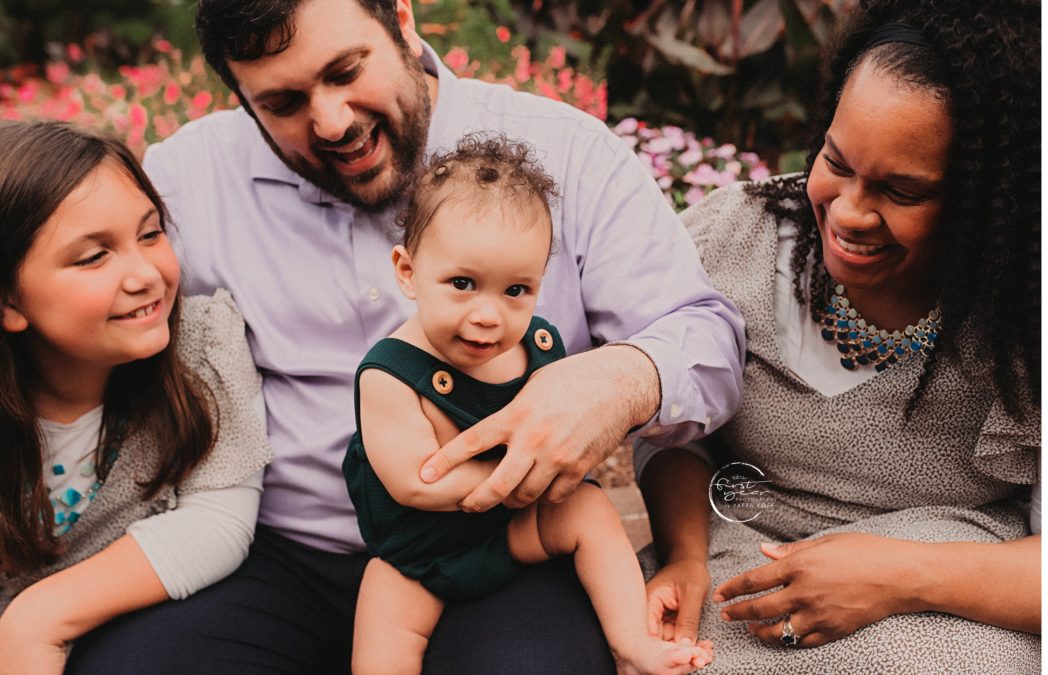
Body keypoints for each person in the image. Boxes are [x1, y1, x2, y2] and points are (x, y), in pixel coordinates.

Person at [63, 0, 746, 672]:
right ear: (241, 98)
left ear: (403, 21)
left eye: (344, 71)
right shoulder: (189, 180)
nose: (331, 122)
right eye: (282, 103)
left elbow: (706, 341)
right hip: (278, 557)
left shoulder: (566, 151)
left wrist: (624, 378)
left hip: (505, 545)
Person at [637, 1, 1040, 672]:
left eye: (900, 190)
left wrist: (902, 574)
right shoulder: (736, 241)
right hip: (732, 566)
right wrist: (683, 555)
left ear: (986, 196)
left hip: (952, 592)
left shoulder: (1022, 316)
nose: (850, 212)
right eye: (836, 160)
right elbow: (678, 432)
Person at [344, 134, 715, 674]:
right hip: (418, 555)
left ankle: (631, 640)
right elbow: (413, 482)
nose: (489, 314)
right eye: (463, 284)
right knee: (384, 635)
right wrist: (519, 479)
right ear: (408, 271)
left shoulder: (535, 346)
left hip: (514, 530)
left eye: (515, 290)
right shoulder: (389, 373)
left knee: (590, 511)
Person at [0, 120, 272, 674]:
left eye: (151, 234)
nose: (144, 275)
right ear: (5, 301)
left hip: (116, 646)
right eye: (93, 257)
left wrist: (39, 617)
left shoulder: (203, 344)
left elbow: (219, 522)